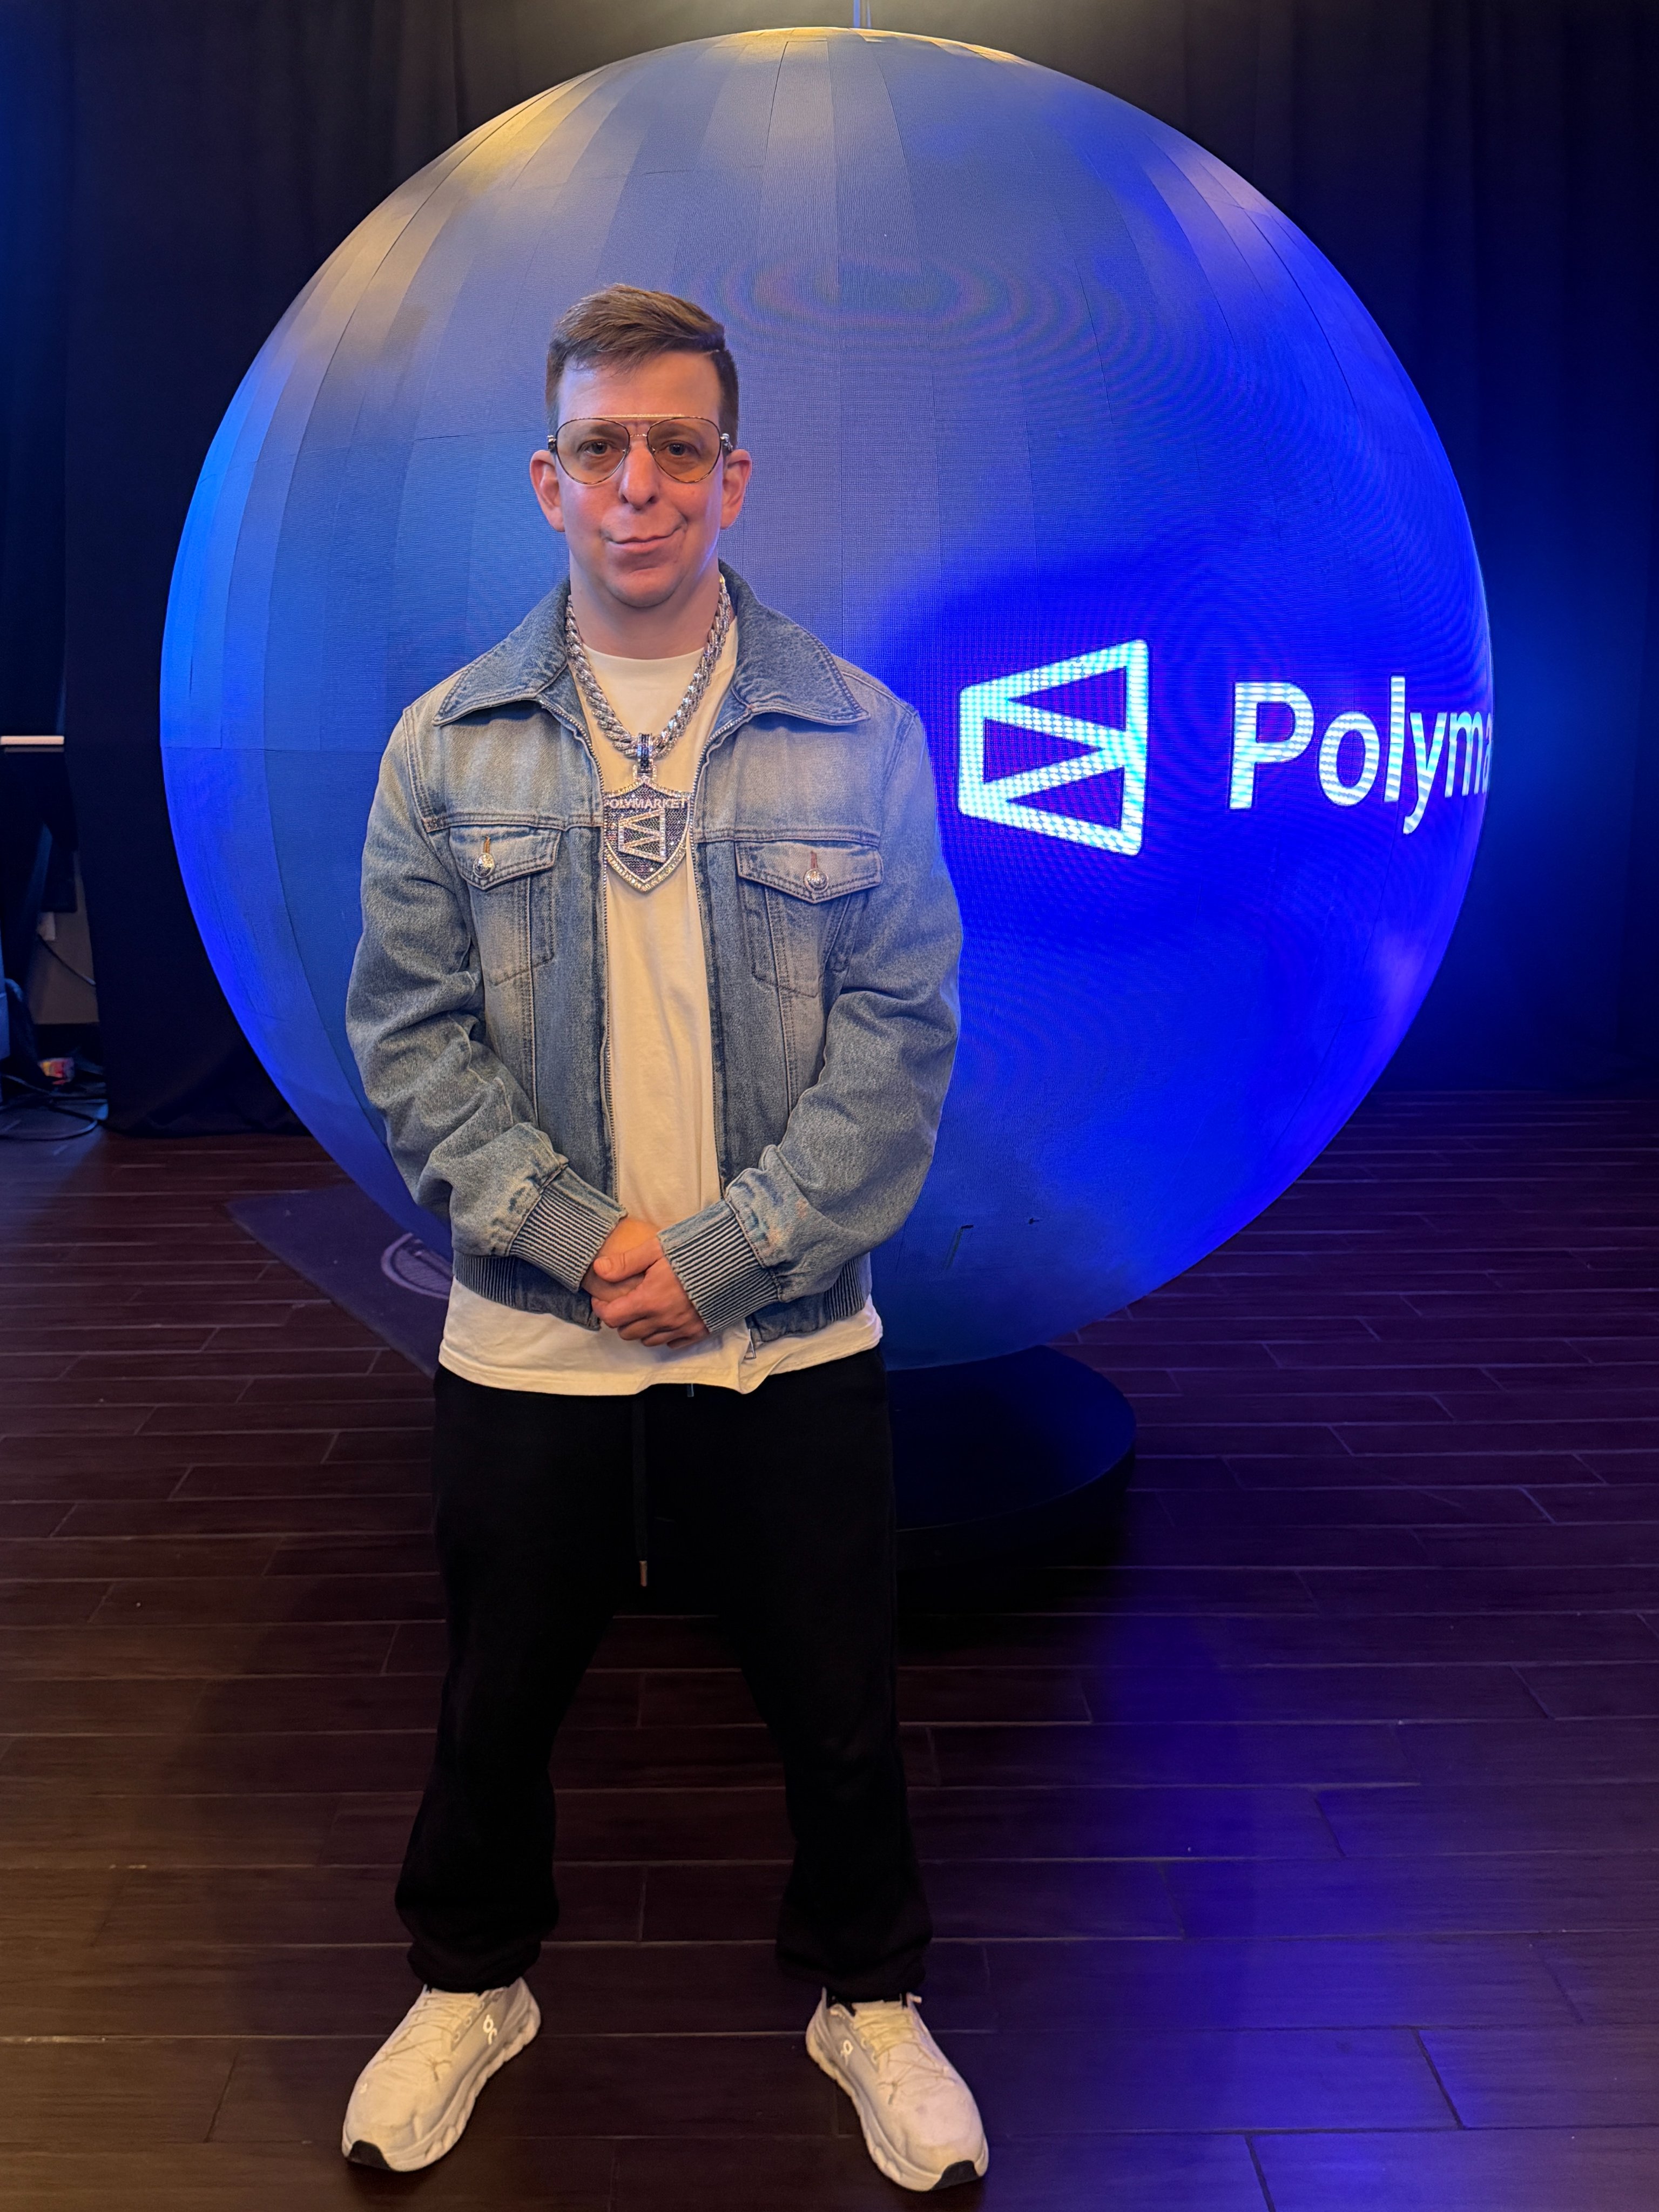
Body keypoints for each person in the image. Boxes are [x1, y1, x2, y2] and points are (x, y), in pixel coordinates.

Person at [339, 285, 985, 2190]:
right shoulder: (444, 745)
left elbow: (900, 1041)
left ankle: (869, 1996)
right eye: (602, 448)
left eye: (677, 447)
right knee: (497, 1693)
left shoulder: (858, 732)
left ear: (734, 475)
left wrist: (716, 1257)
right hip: (527, 1330)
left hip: (788, 1326)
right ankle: (472, 1983)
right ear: (549, 481)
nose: (641, 484)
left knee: (839, 1698)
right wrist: (569, 1234)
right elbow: (410, 1041)